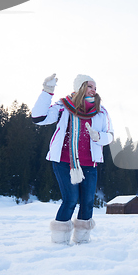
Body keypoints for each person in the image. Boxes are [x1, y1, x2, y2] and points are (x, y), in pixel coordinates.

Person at [32, 73, 114, 244]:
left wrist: (98, 136)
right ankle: (60, 241)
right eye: (90, 86)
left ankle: (82, 240)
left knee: (88, 201)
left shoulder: (100, 111)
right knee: (70, 199)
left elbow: (110, 136)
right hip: (64, 161)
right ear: (80, 87)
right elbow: (39, 118)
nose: (94, 90)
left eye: (95, 87)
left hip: (89, 163)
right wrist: (47, 92)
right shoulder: (63, 106)